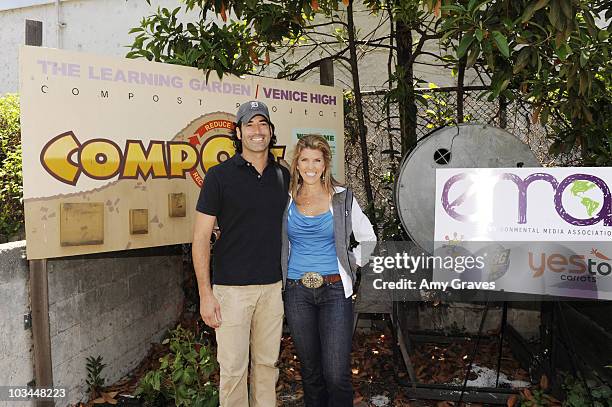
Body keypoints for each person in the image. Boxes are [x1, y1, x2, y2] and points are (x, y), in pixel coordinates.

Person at [192, 100, 290, 407]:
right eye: (250, 124)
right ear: (238, 132)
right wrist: (205, 294)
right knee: (233, 372)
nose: (257, 131)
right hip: (230, 291)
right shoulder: (219, 176)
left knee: (266, 367)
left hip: (273, 289)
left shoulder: (283, 176)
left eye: (263, 124)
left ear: (271, 132)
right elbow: (200, 238)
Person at [281, 134, 377, 406]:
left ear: (325, 164)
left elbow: (369, 237)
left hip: (335, 291)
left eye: (316, 160)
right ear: (297, 164)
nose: (310, 166)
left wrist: (354, 263)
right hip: (297, 292)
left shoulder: (342, 199)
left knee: (335, 374)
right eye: (304, 160)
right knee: (311, 373)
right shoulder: (286, 199)